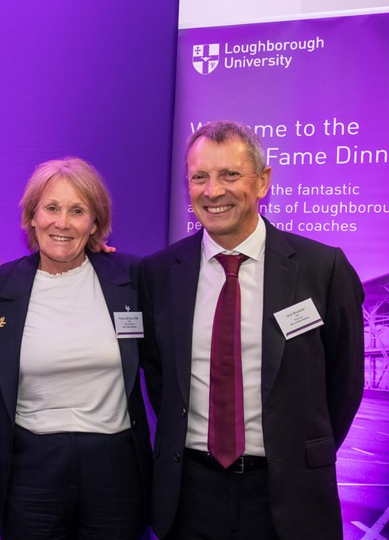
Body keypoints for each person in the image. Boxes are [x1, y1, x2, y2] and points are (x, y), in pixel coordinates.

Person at [140, 121, 364, 539]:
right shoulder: (160, 275)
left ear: (262, 182)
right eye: (199, 177)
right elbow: (159, 377)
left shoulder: (322, 269)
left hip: (290, 496)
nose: (213, 191)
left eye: (230, 174)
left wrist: (299, 451)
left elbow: (344, 383)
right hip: (191, 495)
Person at [0, 157, 152, 539]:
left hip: (115, 468)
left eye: (77, 211)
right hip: (33, 470)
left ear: (94, 223)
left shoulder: (133, 278)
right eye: (52, 208)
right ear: (32, 216)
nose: (63, 223)